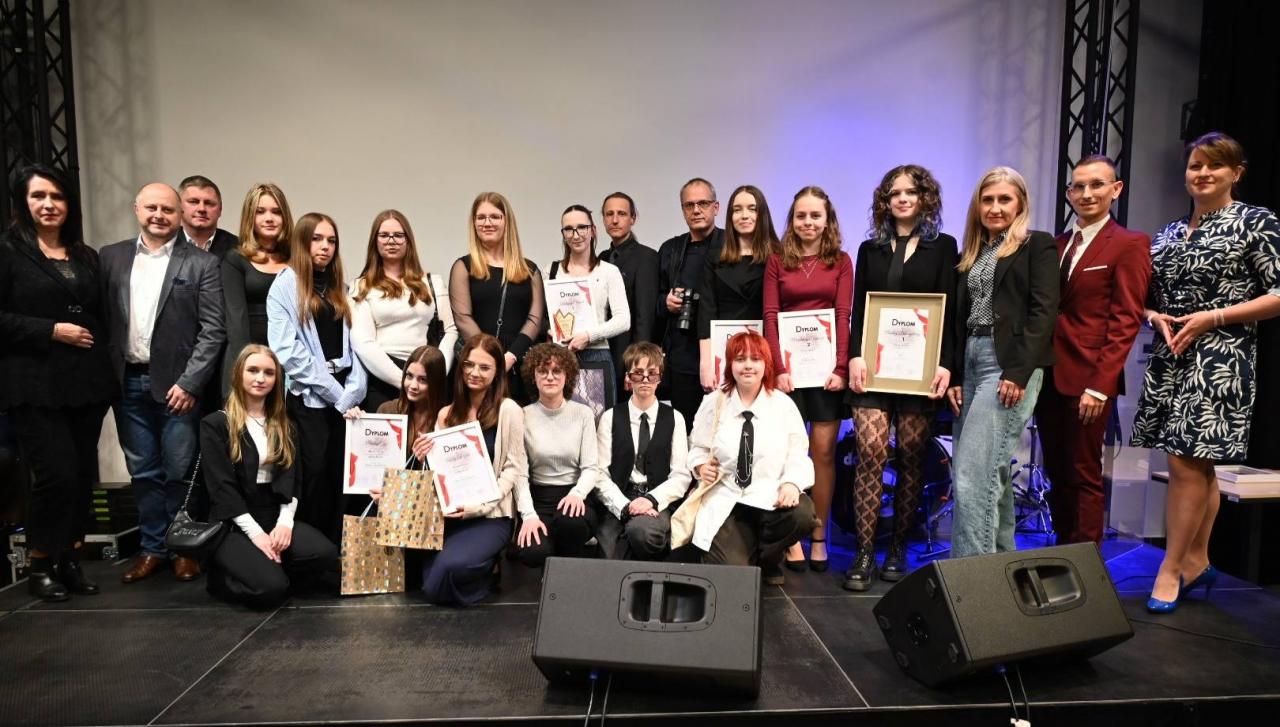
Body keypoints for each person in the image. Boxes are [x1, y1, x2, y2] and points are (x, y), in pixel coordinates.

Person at [1131, 132, 1280, 613]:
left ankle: (1171, 567)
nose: (1202, 173)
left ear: (1236, 173)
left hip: (1221, 355)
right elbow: (1145, 297)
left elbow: (1277, 294)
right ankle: (1197, 561)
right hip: (1171, 352)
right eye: (1195, 165)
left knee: (1185, 463)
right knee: (1198, 465)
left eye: (1214, 165)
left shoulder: (1256, 221)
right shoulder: (1168, 233)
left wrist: (1213, 317)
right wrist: (1151, 316)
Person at [100, 182, 226, 583]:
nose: (159, 215)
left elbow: (213, 331)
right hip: (127, 382)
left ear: (179, 215)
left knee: (179, 471)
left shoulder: (202, 263)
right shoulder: (110, 257)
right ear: (137, 209)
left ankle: (182, 549)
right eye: (151, 207)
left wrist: (190, 383)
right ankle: (152, 548)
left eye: (168, 209)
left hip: (179, 389)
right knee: (143, 473)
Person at [0, 164, 115, 600]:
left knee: (82, 475)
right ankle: (40, 563)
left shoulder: (85, 256)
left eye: (57, 196)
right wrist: (50, 330)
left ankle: (70, 558)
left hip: (86, 385)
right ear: (23, 202)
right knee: (55, 475)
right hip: (34, 384)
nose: (49, 204)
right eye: (39, 196)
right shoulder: (8, 252)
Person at [844, 165, 957, 590]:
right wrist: (855, 355)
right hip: (873, 368)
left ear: (925, 198)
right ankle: (863, 553)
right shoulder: (869, 248)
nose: (903, 199)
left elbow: (949, 309)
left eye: (911, 192)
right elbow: (860, 308)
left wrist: (945, 363)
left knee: (911, 457)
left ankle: (896, 549)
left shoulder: (943, 247)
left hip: (920, 371)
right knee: (871, 451)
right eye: (895, 193)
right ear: (885, 201)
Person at [1036, 155, 1150, 547]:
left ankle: (1085, 565)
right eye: (1079, 186)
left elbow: (1126, 320)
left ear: (1115, 190)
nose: (1086, 193)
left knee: (1083, 474)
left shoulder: (1129, 244)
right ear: (1069, 193)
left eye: (1097, 184)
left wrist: (1100, 386)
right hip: (1048, 375)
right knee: (1057, 471)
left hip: (1089, 379)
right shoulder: (1055, 245)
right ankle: (1062, 554)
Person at [945, 167, 1058, 558]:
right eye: (987, 200)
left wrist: (1018, 372)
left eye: (1004, 199)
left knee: (973, 477)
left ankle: (970, 578)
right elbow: (958, 320)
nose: (994, 207)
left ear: (1021, 203)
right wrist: (956, 375)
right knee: (993, 475)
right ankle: (1002, 570)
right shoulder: (972, 253)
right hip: (971, 362)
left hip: (1008, 364)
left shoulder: (1037, 245)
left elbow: (1043, 313)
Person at [202, 345, 338, 609]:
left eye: (269, 372)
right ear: (238, 373)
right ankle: (222, 577)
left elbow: (293, 479)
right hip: (233, 520)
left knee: (325, 554)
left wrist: (285, 524)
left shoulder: (285, 424)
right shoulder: (216, 424)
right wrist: (256, 534)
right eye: (253, 370)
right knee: (270, 589)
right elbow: (222, 489)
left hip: (272, 511)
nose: (260, 378)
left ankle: (270, 568)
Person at [763, 186, 852, 574]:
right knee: (787, 455)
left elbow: (843, 315)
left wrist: (841, 368)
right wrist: (778, 369)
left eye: (816, 215)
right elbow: (770, 316)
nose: (808, 222)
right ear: (792, 220)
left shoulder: (841, 261)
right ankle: (791, 537)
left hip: (826, 375)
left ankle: (818, 535)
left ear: (827, 220)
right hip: (788, 376)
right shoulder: (777, 260)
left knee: (823, 454)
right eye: (801, 216)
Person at [266, 212, 366, 543]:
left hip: (347, 399)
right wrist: (338, 396)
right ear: (301, 242)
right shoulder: (284, 286)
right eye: (317, 239)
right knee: (315, 476)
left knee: (345, 477)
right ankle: (314, 553)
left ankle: (340, 552)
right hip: (311, 399)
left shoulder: (341, 288)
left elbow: (358, 345)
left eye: (331, 240)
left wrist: (354, 390)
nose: (325, 247)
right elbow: (289, 353)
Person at [687, 331, 815, 584]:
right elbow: (697, 447)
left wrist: (791, 483)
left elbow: (798, 453)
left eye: (755, 359)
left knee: (802, 514)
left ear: (766, 364)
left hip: (770, 497)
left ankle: (769, 557)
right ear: (730, 364)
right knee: (731, 577)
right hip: (728, 498)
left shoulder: (783, 405)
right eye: (740, 359)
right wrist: (700, 466)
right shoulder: (714, 402)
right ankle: (748, 555)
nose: (748, 365)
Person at [416, 334, 524, 604]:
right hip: (452, 514)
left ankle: (488, 570)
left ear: (497, 372)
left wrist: (480, 507)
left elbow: (513, 469)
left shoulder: (509, 410)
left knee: (445, 573)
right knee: (429, 584)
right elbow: (439, 473)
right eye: (469, 365)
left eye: (484, 367)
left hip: (491, 515)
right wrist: (423, 457)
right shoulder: (445, 414)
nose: (474, 373)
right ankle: (482, 567)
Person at [351, 209, 458, 411]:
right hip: (382, 379)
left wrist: (437, 372)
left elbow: (451, 331)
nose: (391, 241)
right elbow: (363, 343)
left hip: (429, 377)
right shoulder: (361, 286)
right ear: (375, 241)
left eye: (398, 235)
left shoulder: (432, 282)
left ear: (408, 241)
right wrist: (405, 380)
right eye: (384, 235)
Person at [594, 342, 690, 560]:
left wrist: (652, 500)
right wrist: (625, 506)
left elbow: (681, 475)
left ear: (660, 378)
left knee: (642, 532)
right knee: (609, 559)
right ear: (628, 378)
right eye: (638, 373)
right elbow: (600, 473)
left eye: (652, 374)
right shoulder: (610, 417)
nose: (645, 379)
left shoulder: (675, 418)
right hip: (620, 497)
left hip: (659, 499)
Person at [448, 192, 545, 404]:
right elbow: (462, 317)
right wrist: (488, 358)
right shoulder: (463, 266)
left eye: (495, 216)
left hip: (518, 363)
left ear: (506, 221)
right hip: (477, 365)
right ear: (474, 223)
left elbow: (535, 320)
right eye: (481, 217)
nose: (487, 223)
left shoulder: (530, 270)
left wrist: (510, 357)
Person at [514, 343, 600, 567]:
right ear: (533, 376)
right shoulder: (522, 416)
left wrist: (577, 494)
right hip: (539, 500)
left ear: (567, 375)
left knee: (570, 524)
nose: (550, 377)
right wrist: (528, 515)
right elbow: (520, 475)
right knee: (533, 552)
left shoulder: (583, 413)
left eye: (556, 371)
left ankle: (567, 574)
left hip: (576, 497)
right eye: (543, 371)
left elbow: (591, 468)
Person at [657, 178, 725, 430]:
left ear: (716, 207)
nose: (696, 210)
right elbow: (653, 299)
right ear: (683, 209)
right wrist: (666, 301)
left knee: (725, 431)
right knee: (686, 430)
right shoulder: (670, 250)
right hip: (682, 356)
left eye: (703, 203)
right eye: (689, 205)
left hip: (724, 353)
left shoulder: (732, 244)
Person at [698, 184, 779, 392]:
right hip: (725, 356)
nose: (744, 215)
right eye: (737, 209)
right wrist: (706, 363)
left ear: (762, 214)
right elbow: (706, 311)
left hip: (767, 355)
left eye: (752, 209)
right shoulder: (714, 258)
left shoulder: (779, 257)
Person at [546, 205, 630, 393]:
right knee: (561, 411)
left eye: (582, 227)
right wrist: (550, 330)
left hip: (597, 356)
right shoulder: (550, 271)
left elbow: (623, 320)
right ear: (563, 234)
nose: (575, 235)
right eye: (569, 229)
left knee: (599, 413)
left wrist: (588, 336)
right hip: (560, 357)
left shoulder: (609, 271)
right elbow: (541, 317)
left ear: (593, 230)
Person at [222, 183, 293, 393]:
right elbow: (236, 321)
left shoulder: (297, 259)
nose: (269, 218)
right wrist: (248, 367)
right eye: (260, 212)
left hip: (291, 361)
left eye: (276, 212)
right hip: (248, 360)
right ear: (250, 217)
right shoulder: (235, 258)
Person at [598, 192, 659, 393]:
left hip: (627, 355)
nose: (615, 220)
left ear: (633, 218)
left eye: (622, 214)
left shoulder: (646, 257)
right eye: (609, 214)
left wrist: (637, 366)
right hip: (601, 351)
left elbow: (644, 317)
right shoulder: (601, 258)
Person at [176, 175, 239, 260]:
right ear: (179, 207)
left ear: (220, 209)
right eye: (193, 202)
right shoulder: (166, 242)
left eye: (209, 203)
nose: (201, 209)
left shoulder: (239, 248)